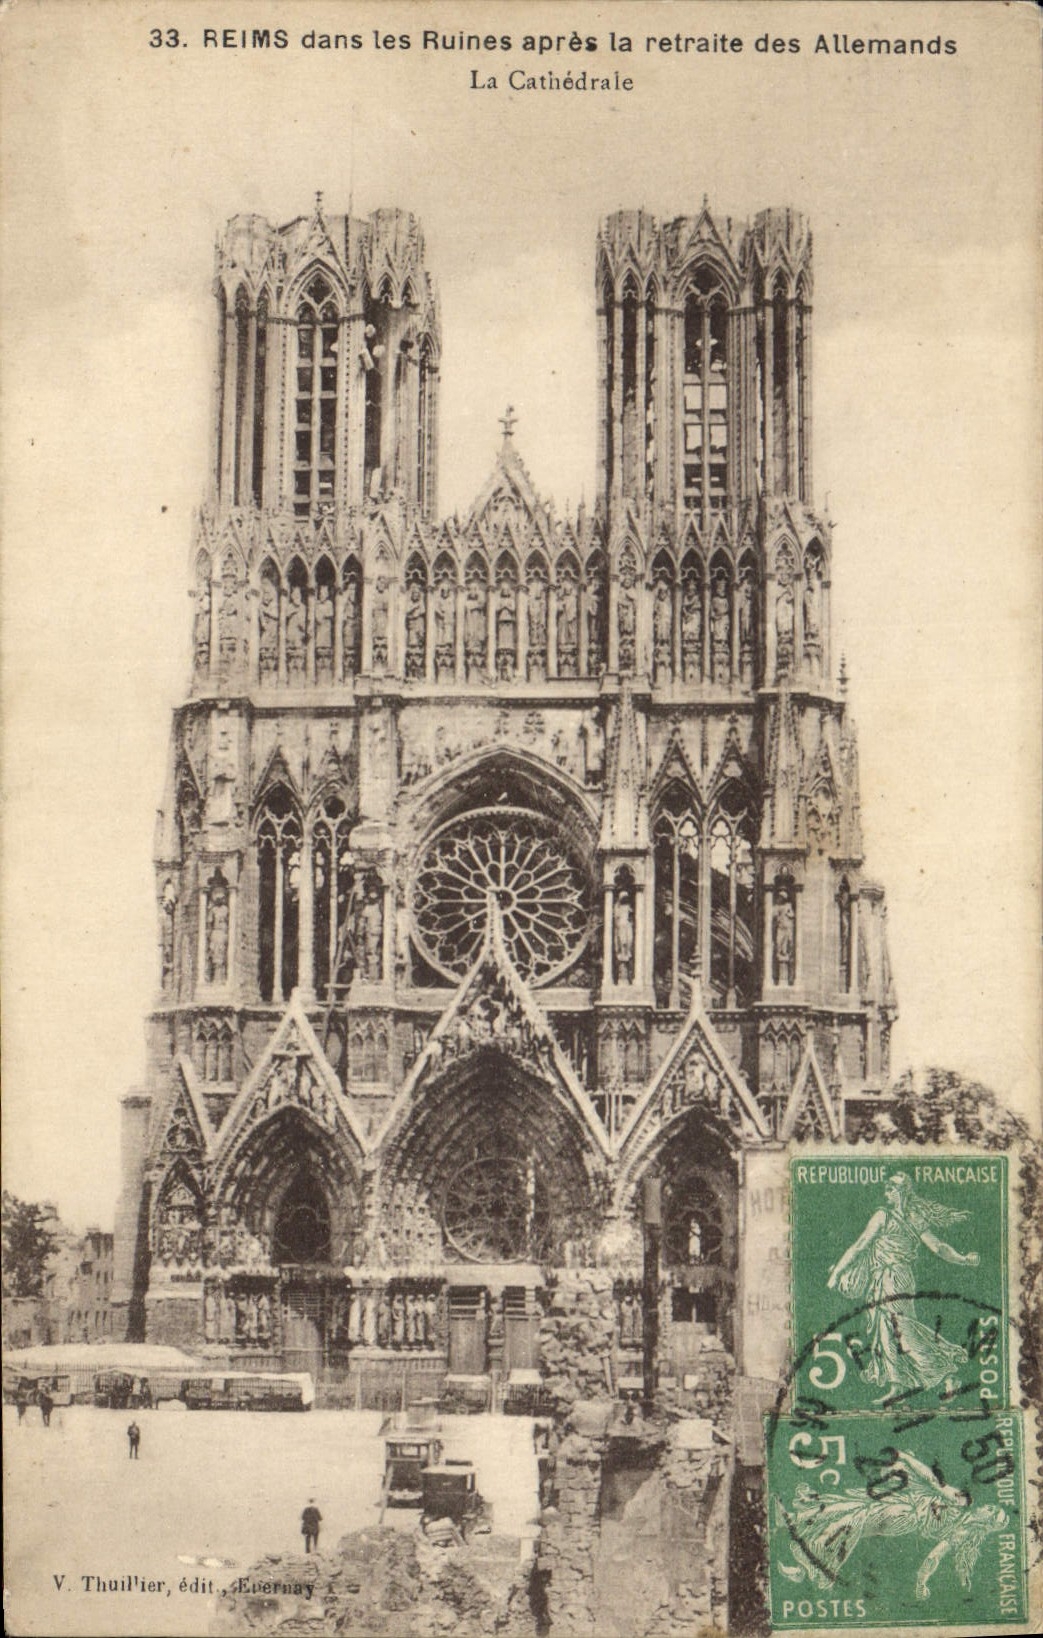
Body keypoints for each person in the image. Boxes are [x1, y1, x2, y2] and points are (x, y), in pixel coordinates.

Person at [776, 1449, 1007, 1603]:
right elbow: (932, 1483)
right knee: (851, 1507)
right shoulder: (963, 1510)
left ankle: (809, 1565)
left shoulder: (961, 1522)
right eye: (994, 1508)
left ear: (987, 1522)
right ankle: (797, 1527)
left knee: (855, 1518)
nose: (989, 1508)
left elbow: (932, 1483)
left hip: (905, 1515)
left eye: (993, 1513)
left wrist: (921, 1583)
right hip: (904, 1502)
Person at [826, 1172, 979, 1396]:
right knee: (885, 1329)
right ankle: (897, 1385)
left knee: (902, 1329)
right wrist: (838, 1272)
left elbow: (938, 1247)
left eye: (891, 1188)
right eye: (886, 1187)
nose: (886, 1192)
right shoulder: (890, 1215)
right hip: (884, 1278)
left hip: (895, 1278)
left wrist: (962, 1259)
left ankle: (946, 1372)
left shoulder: (895, 1217)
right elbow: (860, 1246)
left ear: (902, 1191)